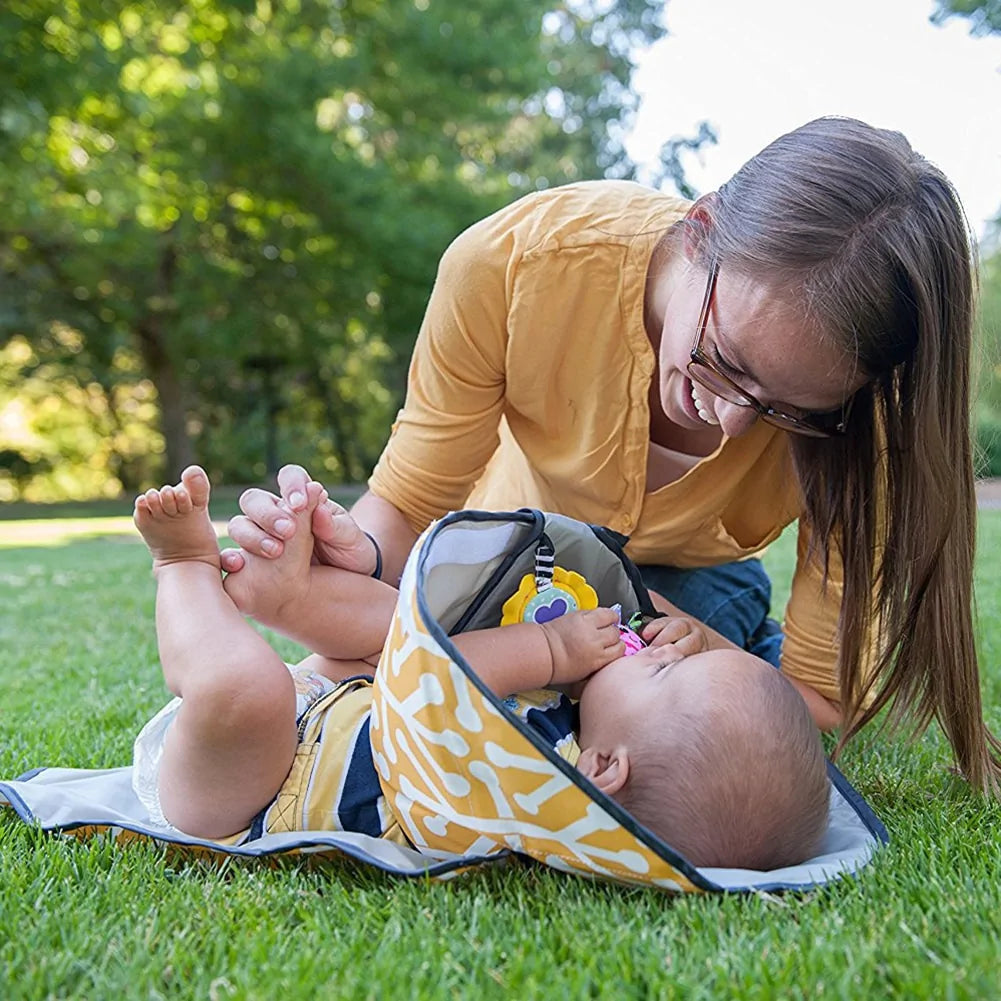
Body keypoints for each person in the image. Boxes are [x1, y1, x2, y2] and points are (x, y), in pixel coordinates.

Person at [223, 116, 1001, 792]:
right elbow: (408, 506)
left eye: (787, 412)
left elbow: (817, 703)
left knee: (648, 729)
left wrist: (692, 652)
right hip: (493, 552)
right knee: (412, 650)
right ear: (699, 229)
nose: (731, 421)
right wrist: (344, 553)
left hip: (681, 588)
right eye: (724, 357)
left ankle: (721, 636)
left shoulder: (870, 427)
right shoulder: (511, 265)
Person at [131, 466, 829, 869]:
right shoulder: (578, 725)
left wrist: (551, 651)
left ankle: (182, 570)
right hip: (335, 708)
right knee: (405, 623)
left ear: (605, 768)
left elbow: (430, 677)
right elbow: (412, 647)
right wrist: (655, 640)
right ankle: (291, 598)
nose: (664, 649)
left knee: (245, 688)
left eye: (663, 670)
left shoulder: (530, 798)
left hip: (247, 791)